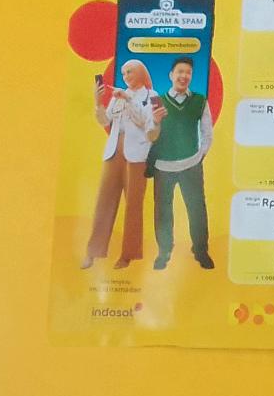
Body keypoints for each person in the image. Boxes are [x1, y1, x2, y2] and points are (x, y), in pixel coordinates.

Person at [83, 58, 162, 269]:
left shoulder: (153, 96)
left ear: (141, 73)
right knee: (104, 200)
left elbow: (146, 123)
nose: (125, 76)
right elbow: (105, 121)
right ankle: (93, 251)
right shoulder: (118, 95)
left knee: (133, 203)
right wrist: (98, 102)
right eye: (124, 73)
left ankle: (128, 254)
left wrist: (128, 99)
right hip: (114, 150)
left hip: (137, 154)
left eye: (130, 72)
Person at [150, 55, 213, 269]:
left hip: (191, 165)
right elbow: (149, 134)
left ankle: (201, 251)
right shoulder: (157, 101)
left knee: (197, 209)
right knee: (163, 211)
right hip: (163, 167)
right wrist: (155, 121)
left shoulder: (200, 100)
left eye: (188, 72)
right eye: (180, 72)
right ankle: (164, 252)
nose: (184, 76)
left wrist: (200, 155)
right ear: (171, 75)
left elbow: (207, 132)